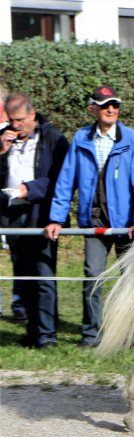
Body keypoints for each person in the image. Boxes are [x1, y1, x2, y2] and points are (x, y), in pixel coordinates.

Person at [44, 85, 134, 347]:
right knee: (92, 277)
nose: (112, 110)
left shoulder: (132, 140)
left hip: (126, 225)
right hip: (93, 222)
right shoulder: (81, 139)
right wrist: (56, 218)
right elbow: (65, 181)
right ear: (93, 109)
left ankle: (128, 334)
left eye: (115, 105)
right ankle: (90, 333)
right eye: (105, 106)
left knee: (130, 281)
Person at [0, 92, 69, 348]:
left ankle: (47, 335)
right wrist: (1, 150)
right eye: (11, 120)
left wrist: (30, 189)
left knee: (43, 275)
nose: (14, 125)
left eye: (19, 120)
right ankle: (31, 332)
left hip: (42, 213)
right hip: (12, 214)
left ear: (32, 114)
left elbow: (63, 180)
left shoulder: (55, 138)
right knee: (23, 275)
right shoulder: (4, 138)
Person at [0, 87, 27, 321]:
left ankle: (20, 303)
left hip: (16, 204)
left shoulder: (18, 131)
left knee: (20, 256)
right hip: (4, 203)